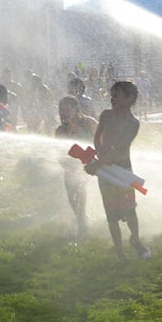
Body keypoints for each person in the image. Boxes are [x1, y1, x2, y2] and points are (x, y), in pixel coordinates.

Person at [86, 80, 150, 259]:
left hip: (122, 169)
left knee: (129, 209)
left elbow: (121, 147)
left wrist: (97, 164)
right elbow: (98, 136)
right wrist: (99, 154)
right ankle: (119, 251)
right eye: (111, 95)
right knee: (111, 212)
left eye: (117, 95)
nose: (112, 98)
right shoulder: (106, 115)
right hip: (105, 169)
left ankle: (135, 240)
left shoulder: (133, 123)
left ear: (130, 98)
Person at [55, 95, 98, 240]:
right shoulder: (61, 131)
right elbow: (60, 152)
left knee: (80, 187)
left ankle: (82, 218)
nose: (65, 113)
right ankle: (81, 218)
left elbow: (103, 139)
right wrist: (65, 163)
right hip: (71, 164)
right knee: (71, 191)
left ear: (76, 109)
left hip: (92, 163)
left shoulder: (89, 123)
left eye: (68, 109)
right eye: (62, 110)